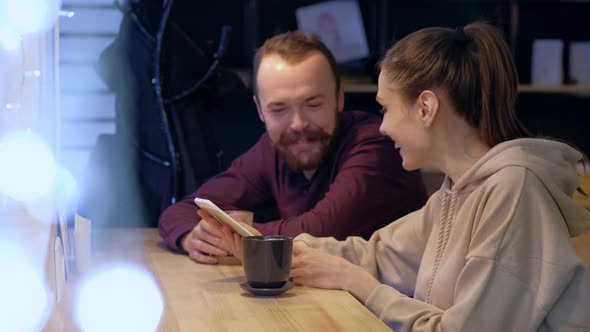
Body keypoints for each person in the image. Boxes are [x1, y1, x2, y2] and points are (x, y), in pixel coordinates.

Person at [212, 22, 590, 330]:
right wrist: (260, 243)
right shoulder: (455, 192)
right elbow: (377, 255)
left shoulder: (512, 190)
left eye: (386, 109)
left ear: (425, 107)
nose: (383, 128)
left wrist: (361, 286)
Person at [158, 31, 428, 264]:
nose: (298, 124)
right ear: (260, 110)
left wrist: (227, 233)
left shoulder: (375, 145)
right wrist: (190, 237)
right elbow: (181, 211)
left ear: (339, 98)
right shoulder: (274, 148)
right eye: (279, 109)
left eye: (313, 105)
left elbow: (320, 231)